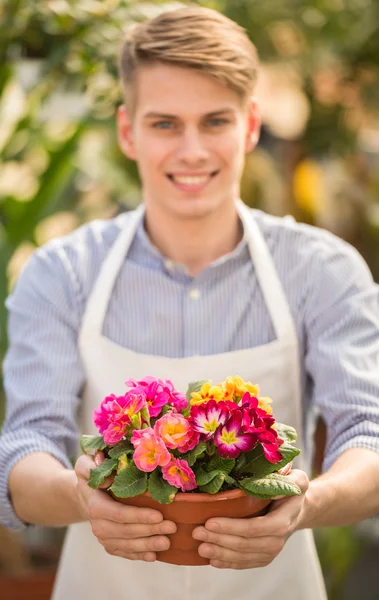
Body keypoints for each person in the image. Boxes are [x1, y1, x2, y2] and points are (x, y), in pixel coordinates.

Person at [1, 6, 379, 600]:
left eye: (215, 121)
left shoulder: (321, 271)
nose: (193, 150)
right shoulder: (63, 273)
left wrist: (304, 506)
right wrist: (83, 496)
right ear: (128, 131)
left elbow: (369, 433)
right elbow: (24, 451)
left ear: (250, 125)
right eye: (165, 124)